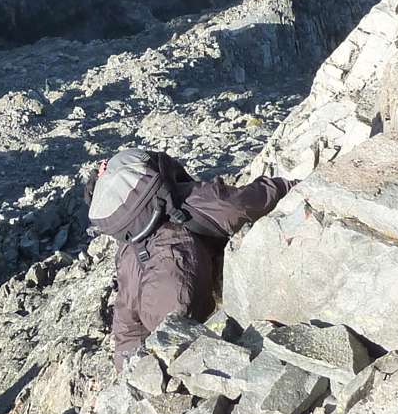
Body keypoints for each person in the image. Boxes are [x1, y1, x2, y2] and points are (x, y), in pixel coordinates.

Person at [88, 147, 293, 367]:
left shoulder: (127, 251)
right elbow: (240, 203)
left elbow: (126, 320)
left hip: (160, 336)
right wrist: (286, 186)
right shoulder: (191, 199)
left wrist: (128, 368)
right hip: (205, 318)